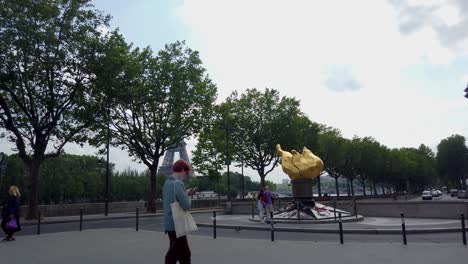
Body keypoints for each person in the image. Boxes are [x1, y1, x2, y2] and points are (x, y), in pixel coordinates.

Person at [163, 160, 197, 264]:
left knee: (184, 254)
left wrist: (184, 193)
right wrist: (189, 195)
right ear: (182, 170)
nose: (186, 176)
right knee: (175, 255)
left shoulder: (167, 183)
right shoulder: (178, 183)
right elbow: (186, 206)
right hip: (177, 224)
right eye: (186, 173)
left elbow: (171, 200)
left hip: (169, 223)